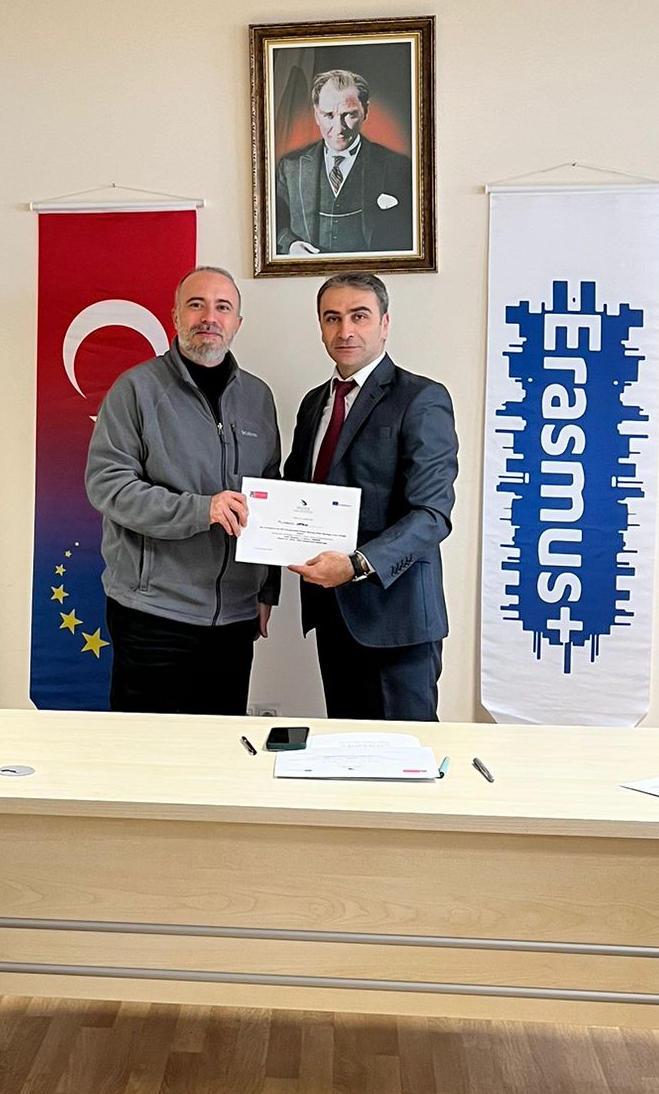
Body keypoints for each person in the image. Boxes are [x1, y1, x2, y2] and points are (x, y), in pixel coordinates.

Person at [85, 266, 280, 714]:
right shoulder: (135, 389)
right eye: (196, 305)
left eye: (222, 307)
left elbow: (271, 494)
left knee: (219, 747)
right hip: (153, 615)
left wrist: (267, 589)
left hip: (234, 619)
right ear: (175, 316)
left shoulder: (258, 398)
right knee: (147, 750)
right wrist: (201, 510)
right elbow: (108, 485)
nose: (209, 317)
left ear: (237, 323)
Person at [284, 271, 457, 720]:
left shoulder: (422, 398)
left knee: (404, 752)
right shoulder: (313, 404)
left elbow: (432, 514)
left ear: (384, 324)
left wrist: (357, 565)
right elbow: (296, 493)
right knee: (344, 748)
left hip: (397, 618)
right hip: (331, 612)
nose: (345, 330)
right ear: (321, 327)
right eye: (332, 318)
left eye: (359, 316)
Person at [275, 68, 414, 257]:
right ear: (316, 115)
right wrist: (291, 245)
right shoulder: (290, 166)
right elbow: (274, 225)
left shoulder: (398, 167)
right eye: (328, 115)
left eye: (349, 114)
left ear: (365, 111)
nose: (339, 128)